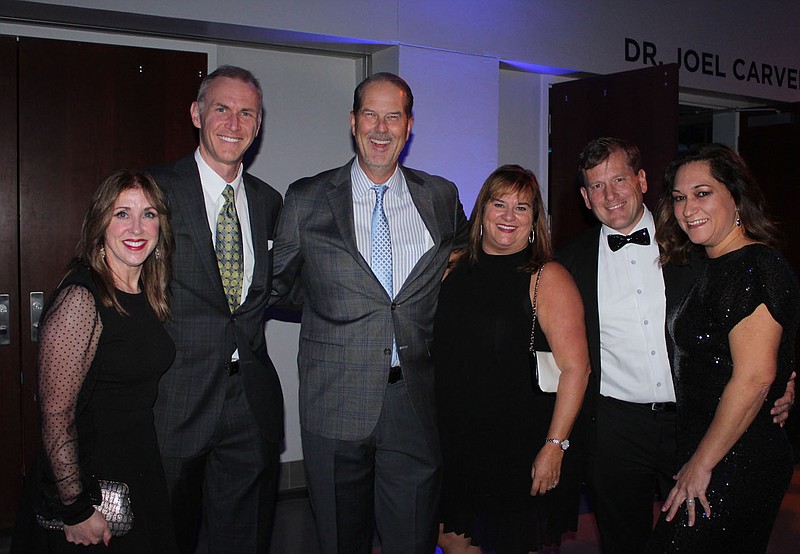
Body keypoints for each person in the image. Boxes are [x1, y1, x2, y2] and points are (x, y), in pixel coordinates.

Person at [556, 137, 795, 554]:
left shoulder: (696, 242)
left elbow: (760, 322)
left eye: (619, 179)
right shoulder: (568, 262)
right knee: (623, 541)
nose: (610, 195)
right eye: (597, 186)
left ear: (642, 180)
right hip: (615, 428)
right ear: (585, 196)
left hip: (695, 424)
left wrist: (782, 380)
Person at [270, 72, 468, 554]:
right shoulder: (307, 197)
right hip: (334, 401)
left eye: (393, 116)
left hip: (414, 403)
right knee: (341, 539)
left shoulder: (440, 196)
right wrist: (333, 303)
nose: (382, 128)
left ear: (409, 126)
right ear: (353, 122)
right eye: (371, 115)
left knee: (414, 539)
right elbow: (277, 284)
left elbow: (462, 258)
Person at [149, 66, 284, 553]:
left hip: (248, 399)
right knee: (165, 533)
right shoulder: (154, 192)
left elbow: (279, 287)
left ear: (258, 123)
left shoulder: (270, 201)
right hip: (173, 396)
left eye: (247, 112)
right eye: (222, 108)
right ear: (196, 114)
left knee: (244, 537)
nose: (234, 122)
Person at [11, 170, 177, 553]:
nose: (137, 226)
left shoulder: (146, 291)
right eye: (122, 213)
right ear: (100, 222)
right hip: (93, 486)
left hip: (138, 469)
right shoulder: (81, 299)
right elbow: (55, 412)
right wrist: (74, 507)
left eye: (149, 214)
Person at [645, 144, 800, 553]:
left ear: (736, 197)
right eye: (679, 197)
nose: (687, 208)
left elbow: (754, 376)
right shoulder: (713, 265)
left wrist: (701, 464)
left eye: (702, 193)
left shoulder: (755, 266)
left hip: (735, 458)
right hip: (714, 450)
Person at [434, 165, 590, 553]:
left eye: (521, 208)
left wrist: (555, 445)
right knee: (452, 541)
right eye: (499, 204)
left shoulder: (547, 277)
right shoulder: (451, 267)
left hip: (517, 445)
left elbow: (577, 369)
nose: (508, 216)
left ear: (534, 221)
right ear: (481, 211)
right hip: (455, 440)